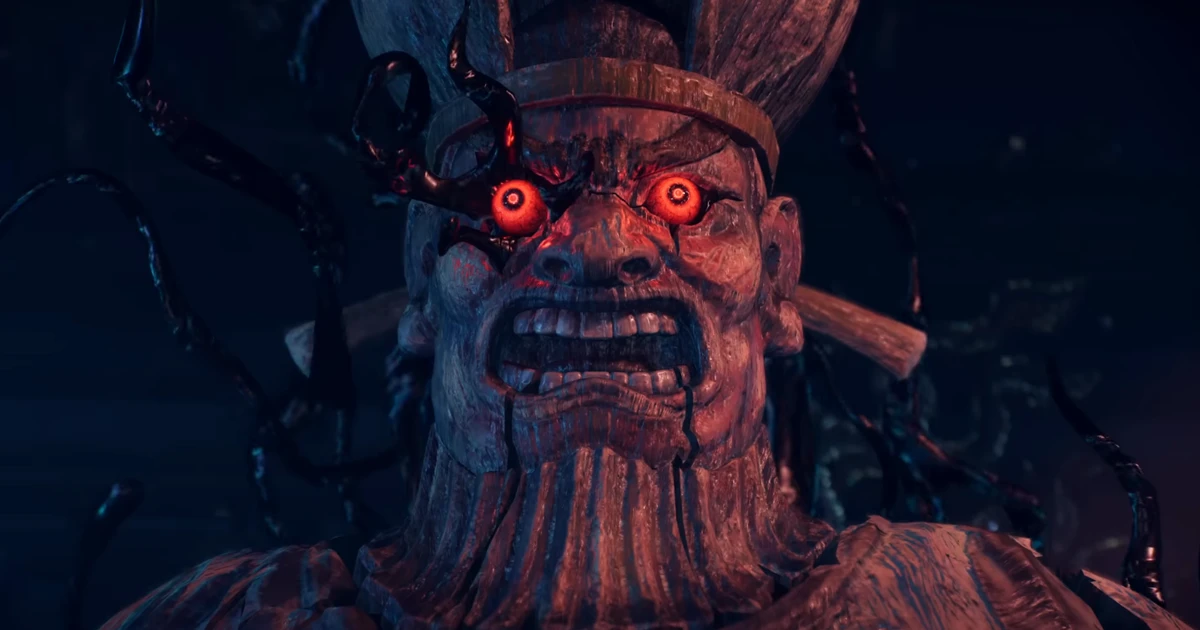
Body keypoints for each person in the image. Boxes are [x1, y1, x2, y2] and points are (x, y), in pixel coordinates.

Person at [102, 1, 1192, 627]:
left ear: (776, 270)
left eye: (682, 199)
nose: (602, 247)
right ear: (425, 273)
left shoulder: (983, 609)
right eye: (513, 202)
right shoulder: (240, 617)